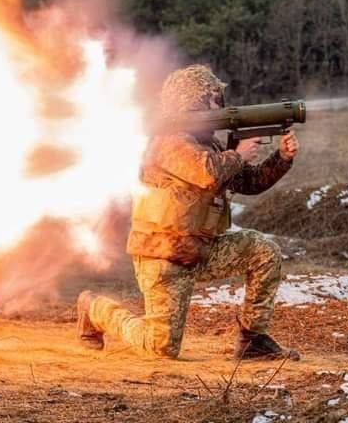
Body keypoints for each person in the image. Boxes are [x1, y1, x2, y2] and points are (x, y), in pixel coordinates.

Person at [76, 64, 300, 360]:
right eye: (213, 98)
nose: (220, 104)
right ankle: (95, 309)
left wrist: (282, 157)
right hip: (164, 256)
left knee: (264, 251)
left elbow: (249, 181)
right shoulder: (168, 141)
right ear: (193, 100)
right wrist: (238, 153)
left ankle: (252, 340)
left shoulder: (208, 144)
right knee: (162, 347)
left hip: (201, 248)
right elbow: (206, 172)